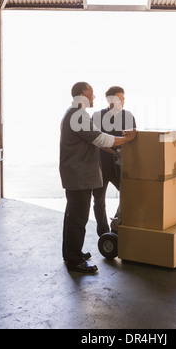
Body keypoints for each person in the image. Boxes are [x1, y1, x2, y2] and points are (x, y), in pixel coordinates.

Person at [59, 82, 136, 274]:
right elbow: (99, 138)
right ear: (83, 94)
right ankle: (74, 260)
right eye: (92, 94)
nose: (94, 97)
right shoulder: (78, 115)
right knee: (78, 217)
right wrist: (126, 139)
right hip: (79, 175)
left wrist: (115, 148)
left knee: (72, 216)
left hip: (77, 174)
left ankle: (71, 253)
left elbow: (97, 141)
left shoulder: (76, 113)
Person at [92, 86, 136, 236]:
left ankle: (116, 225)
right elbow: (97, 141)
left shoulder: (128, 116)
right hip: (100, 166)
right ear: (109, 100)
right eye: (119, 99)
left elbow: (133, 140)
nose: (122, 102)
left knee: (128, 195)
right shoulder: (97, 116)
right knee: (98, 201)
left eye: (123, 99)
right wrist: (116, 149)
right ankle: (103, 234)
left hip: (121, 166)